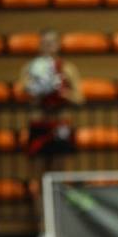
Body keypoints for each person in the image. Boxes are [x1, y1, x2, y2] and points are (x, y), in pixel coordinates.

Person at [19, 29, 83, 161]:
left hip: (60, 123)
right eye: (44, 43)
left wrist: (63, 93)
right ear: (39, 45)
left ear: (58, 45)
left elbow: (80, 98)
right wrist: (36, 90)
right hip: (39, 122)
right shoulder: (30, 68)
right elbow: (22, 93)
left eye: (52, 42)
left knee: (60, 164)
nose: (48, 46)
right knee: (37, 163)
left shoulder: (68, 68)